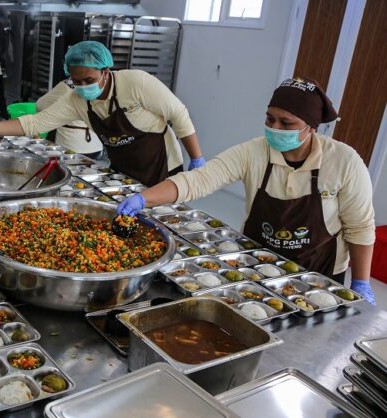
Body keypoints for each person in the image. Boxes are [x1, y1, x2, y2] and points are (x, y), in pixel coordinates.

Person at [118, 78, 377, 304]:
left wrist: (361, 283)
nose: (275, 128)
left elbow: (360, 228)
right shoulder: (254, 152)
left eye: (286, 123)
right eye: (270, 118)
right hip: (256, 264)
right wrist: (144, 198)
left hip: (321, 272)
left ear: (311, 127)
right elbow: (198, 180)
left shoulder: (344, 162)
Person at [0, 41, 203, 186]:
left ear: (106, 71)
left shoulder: (136, 82)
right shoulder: (76, 99)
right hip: (124, 168)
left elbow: (178, 113)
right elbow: (35, 123)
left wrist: (196, 157)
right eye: (76, 80)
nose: (82, 86)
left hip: (161, 165)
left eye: (88, 79)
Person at [37, 80, 103, 159]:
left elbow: (40, 105)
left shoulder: (68, 85)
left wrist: (59, 111)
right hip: (96, 147)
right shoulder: (101, 83)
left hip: (70, 146)